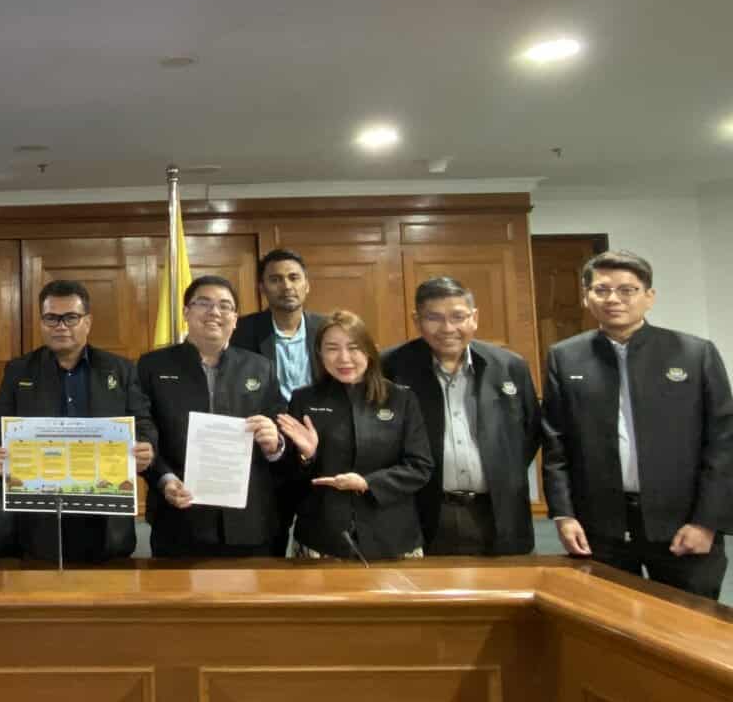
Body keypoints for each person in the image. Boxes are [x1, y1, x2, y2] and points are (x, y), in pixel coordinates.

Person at [542, 250, 733, 600]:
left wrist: (707, 521)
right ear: (586, 297)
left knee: (689, 621)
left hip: (683, 523)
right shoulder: (565, 357)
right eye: (601, 290)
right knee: (605, 619)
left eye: (627, 290)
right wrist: (563, 515)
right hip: (600, 526)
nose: (613, 299)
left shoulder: (695, 353)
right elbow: (556, 444)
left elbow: (724, 442)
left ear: (649, 296)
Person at [0, 280, 156, 563]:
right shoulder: (19, 370)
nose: (61, 326)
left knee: (107, 587)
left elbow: (144, 424)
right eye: (51, 318)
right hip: (40, 517)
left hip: (104, 516)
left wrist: (146, 447)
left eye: (71, 318)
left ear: (87, 322)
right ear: (42, 323)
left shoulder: (120, 369)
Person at [382, 277, 541, 555]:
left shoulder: (509, 366)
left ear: (474, 317)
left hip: (498, 513)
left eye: (458, 317)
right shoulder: (390, 367)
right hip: (421, 514)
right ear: (417, 321)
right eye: (434, 318)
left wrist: (500, 471)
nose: (448, 328)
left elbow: (529, 434)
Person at [140, 276, 291, 557]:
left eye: (225, 306)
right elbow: (144, 434)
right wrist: (165, 479)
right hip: (179, 518)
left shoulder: (261, 368)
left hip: (250, 522)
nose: (214, 312)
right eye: (204, 303)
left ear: (235, 319)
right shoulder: (152, 366)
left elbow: (282, 431)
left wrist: (275, 444)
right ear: (186, 312)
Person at [277, 310, 433, 561]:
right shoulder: (304, 399)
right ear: (319, 354)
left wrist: (367, 483)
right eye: (332, 348)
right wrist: (307, 456)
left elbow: (420, 466)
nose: (344, 358)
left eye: (353, 347)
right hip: (323, 537)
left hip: (391, 536)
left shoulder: (401, 399)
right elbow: (288, 479)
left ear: (370, 351)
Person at [229, 248, 326, 556]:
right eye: (276, 279)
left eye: (294, 277)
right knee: (269, 540)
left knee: (321, 539)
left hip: (320, 447)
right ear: (262, 287)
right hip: (266, 451)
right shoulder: (241, 332)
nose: (286, 286)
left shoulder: (327, 330)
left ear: (307, 284)